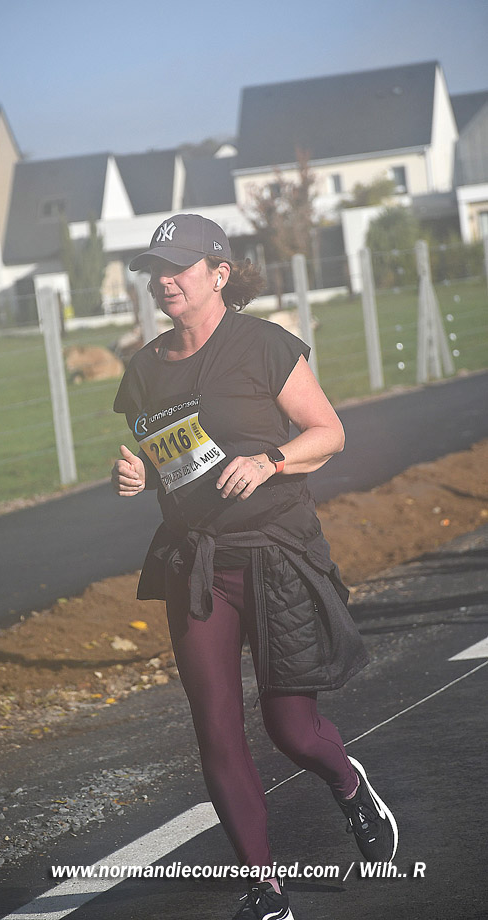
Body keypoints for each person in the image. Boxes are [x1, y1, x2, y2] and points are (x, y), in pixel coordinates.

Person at [111, 214, 398, 920]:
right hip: (197, 562)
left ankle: (350, 786)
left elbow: (328, 433)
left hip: (275, 552)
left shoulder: (262, 344)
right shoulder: (143, 370)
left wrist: (271, 459)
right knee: (215, 727)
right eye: (155, 269)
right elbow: (169, 457)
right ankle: (264, 889)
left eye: (178, 266)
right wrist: (138, 474)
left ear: (219, 273)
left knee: (290, 729)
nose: (164, 280)